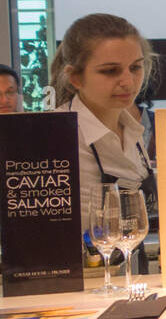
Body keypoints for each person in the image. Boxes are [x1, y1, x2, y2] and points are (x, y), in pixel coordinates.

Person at [51, 14, 159, 231]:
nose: (128, 82)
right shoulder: (54, 138)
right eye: (110, 71)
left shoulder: (134, 130)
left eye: (136, 67)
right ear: (75, 78)